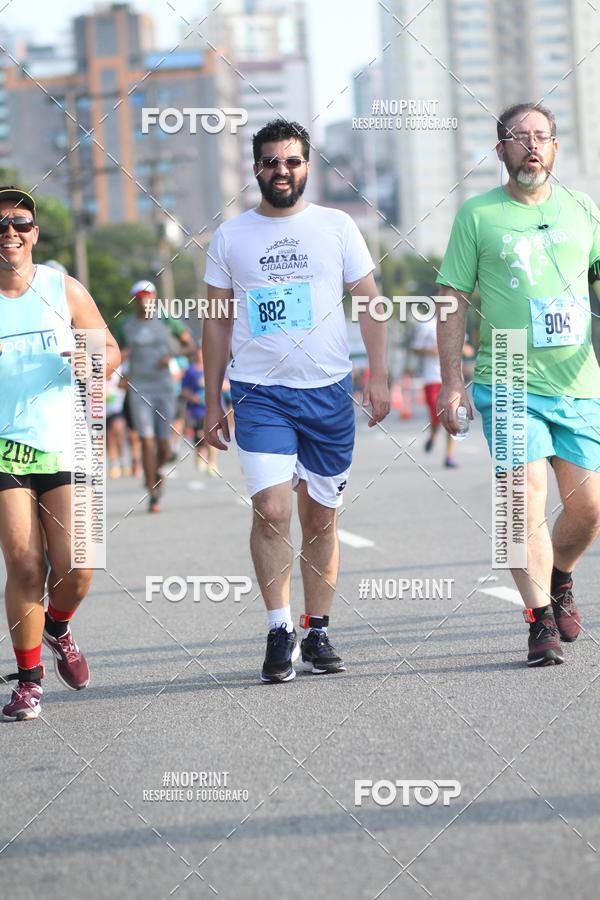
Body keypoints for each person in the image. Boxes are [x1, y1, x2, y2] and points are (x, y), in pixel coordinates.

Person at [203, 119, 390, 683]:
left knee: (321, 518)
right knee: (272, 509)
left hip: (328, 391)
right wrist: (211, 402)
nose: (281, 170)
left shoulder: (337, 226)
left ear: (307, 166)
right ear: (255, 168)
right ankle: (279, 628)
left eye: (291, 161)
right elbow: (217, 321)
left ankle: (318, 630)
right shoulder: (231, 236)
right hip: (259, 394)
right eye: (270, 161)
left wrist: (379, 375)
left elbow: (369, 300)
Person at [436, 103, 600, 667]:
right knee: (520, 498)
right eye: (518, 136)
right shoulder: (477, 215)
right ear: (500, 149)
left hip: (579, 379)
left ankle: (559, 577)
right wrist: (451, 381)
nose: (531, 145)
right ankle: (538, 619)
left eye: (541, 136)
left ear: (555, 146)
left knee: (589, 508)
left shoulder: (583, 209)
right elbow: (452, 299)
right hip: (507, 371)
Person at [0, 186, 120, 720]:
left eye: (20, 223)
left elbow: (109, 349)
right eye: (0, 226)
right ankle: (28, 681)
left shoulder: (61, 287)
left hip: (67, 442)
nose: (9, 233)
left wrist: (91, 363)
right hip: (5, 448)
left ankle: (58, 626)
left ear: (35, 233)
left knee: (79, 565)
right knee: (25, 564)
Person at [119, 281, 194, 512]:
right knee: (146, 439)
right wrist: (119, 371)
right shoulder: (126, 325)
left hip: (164, 387)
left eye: (149, 296)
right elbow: (116, 351)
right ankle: (153, 490)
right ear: (135, 300)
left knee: (163, 445)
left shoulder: (167, 320)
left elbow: (189, 346)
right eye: (141, 297)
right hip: (139, 387)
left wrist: (172, 355)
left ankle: (156, 471)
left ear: (154, 298)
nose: (145, 301)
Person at [411, 313, 472, 467]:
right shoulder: (426, 325)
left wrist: (466, 349)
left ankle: (449, 456)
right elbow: (415, 348)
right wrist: (430, 351)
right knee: (437, 415)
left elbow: (463, 346)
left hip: (453, 380)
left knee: (453, 416)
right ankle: (433, 436)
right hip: (432, 378)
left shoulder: (456, 323)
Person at [181, 346, 218, 474]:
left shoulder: (215, 367)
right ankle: (200, 454)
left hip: (212, 409)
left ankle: (212, 462)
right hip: (196, 410)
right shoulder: (190, 370)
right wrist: (192, 397)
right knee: (199, 437)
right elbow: (184, 389)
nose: (200, 356)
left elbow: (226, 385)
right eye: (198, 354)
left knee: (211, 435)